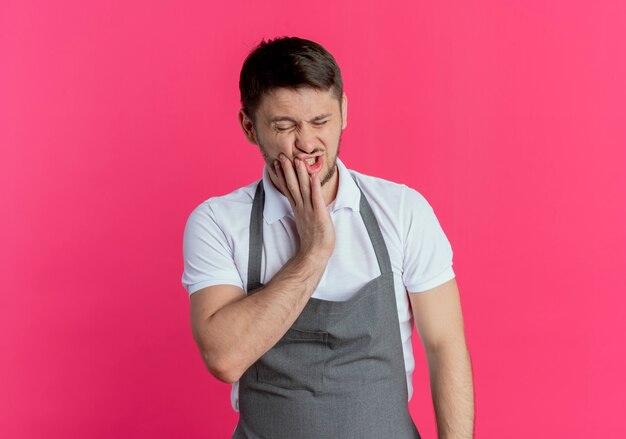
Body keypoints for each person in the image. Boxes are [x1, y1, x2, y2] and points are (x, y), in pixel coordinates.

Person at [182, 36, 474, 439]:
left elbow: (445, 344)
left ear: (344, 112)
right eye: (285, 125)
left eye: (321, 121)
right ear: (249, 127)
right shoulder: (216, 222)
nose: (307, 143)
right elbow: (225, 357)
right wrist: (314, 251)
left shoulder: (403, 210)